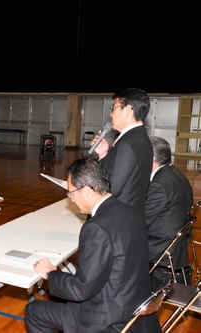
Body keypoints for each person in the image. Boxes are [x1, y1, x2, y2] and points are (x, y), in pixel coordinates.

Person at [25, 158, 160, 333]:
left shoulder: (95, 227)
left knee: (34, 311)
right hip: (135, 311)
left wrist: (50, 274)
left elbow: (81, 289)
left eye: (71, 193)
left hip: (108, 320)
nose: (71, 199)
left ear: (88, 190)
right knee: (61, 297)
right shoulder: (130, 211)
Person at [91, 87, 153, 220]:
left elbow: (112, 187)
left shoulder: (127, 143)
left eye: (114, 108)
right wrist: (104, 155)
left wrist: (88, 186)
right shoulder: (141, 138)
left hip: (119, 218)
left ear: (128, 109)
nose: (111, 114)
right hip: (131, 216)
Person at [147, 136, 193, 287]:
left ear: (152, 159)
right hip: (175, 247)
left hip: (160, 249)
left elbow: (141, 220)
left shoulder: (160, 184)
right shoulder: (174, 174)